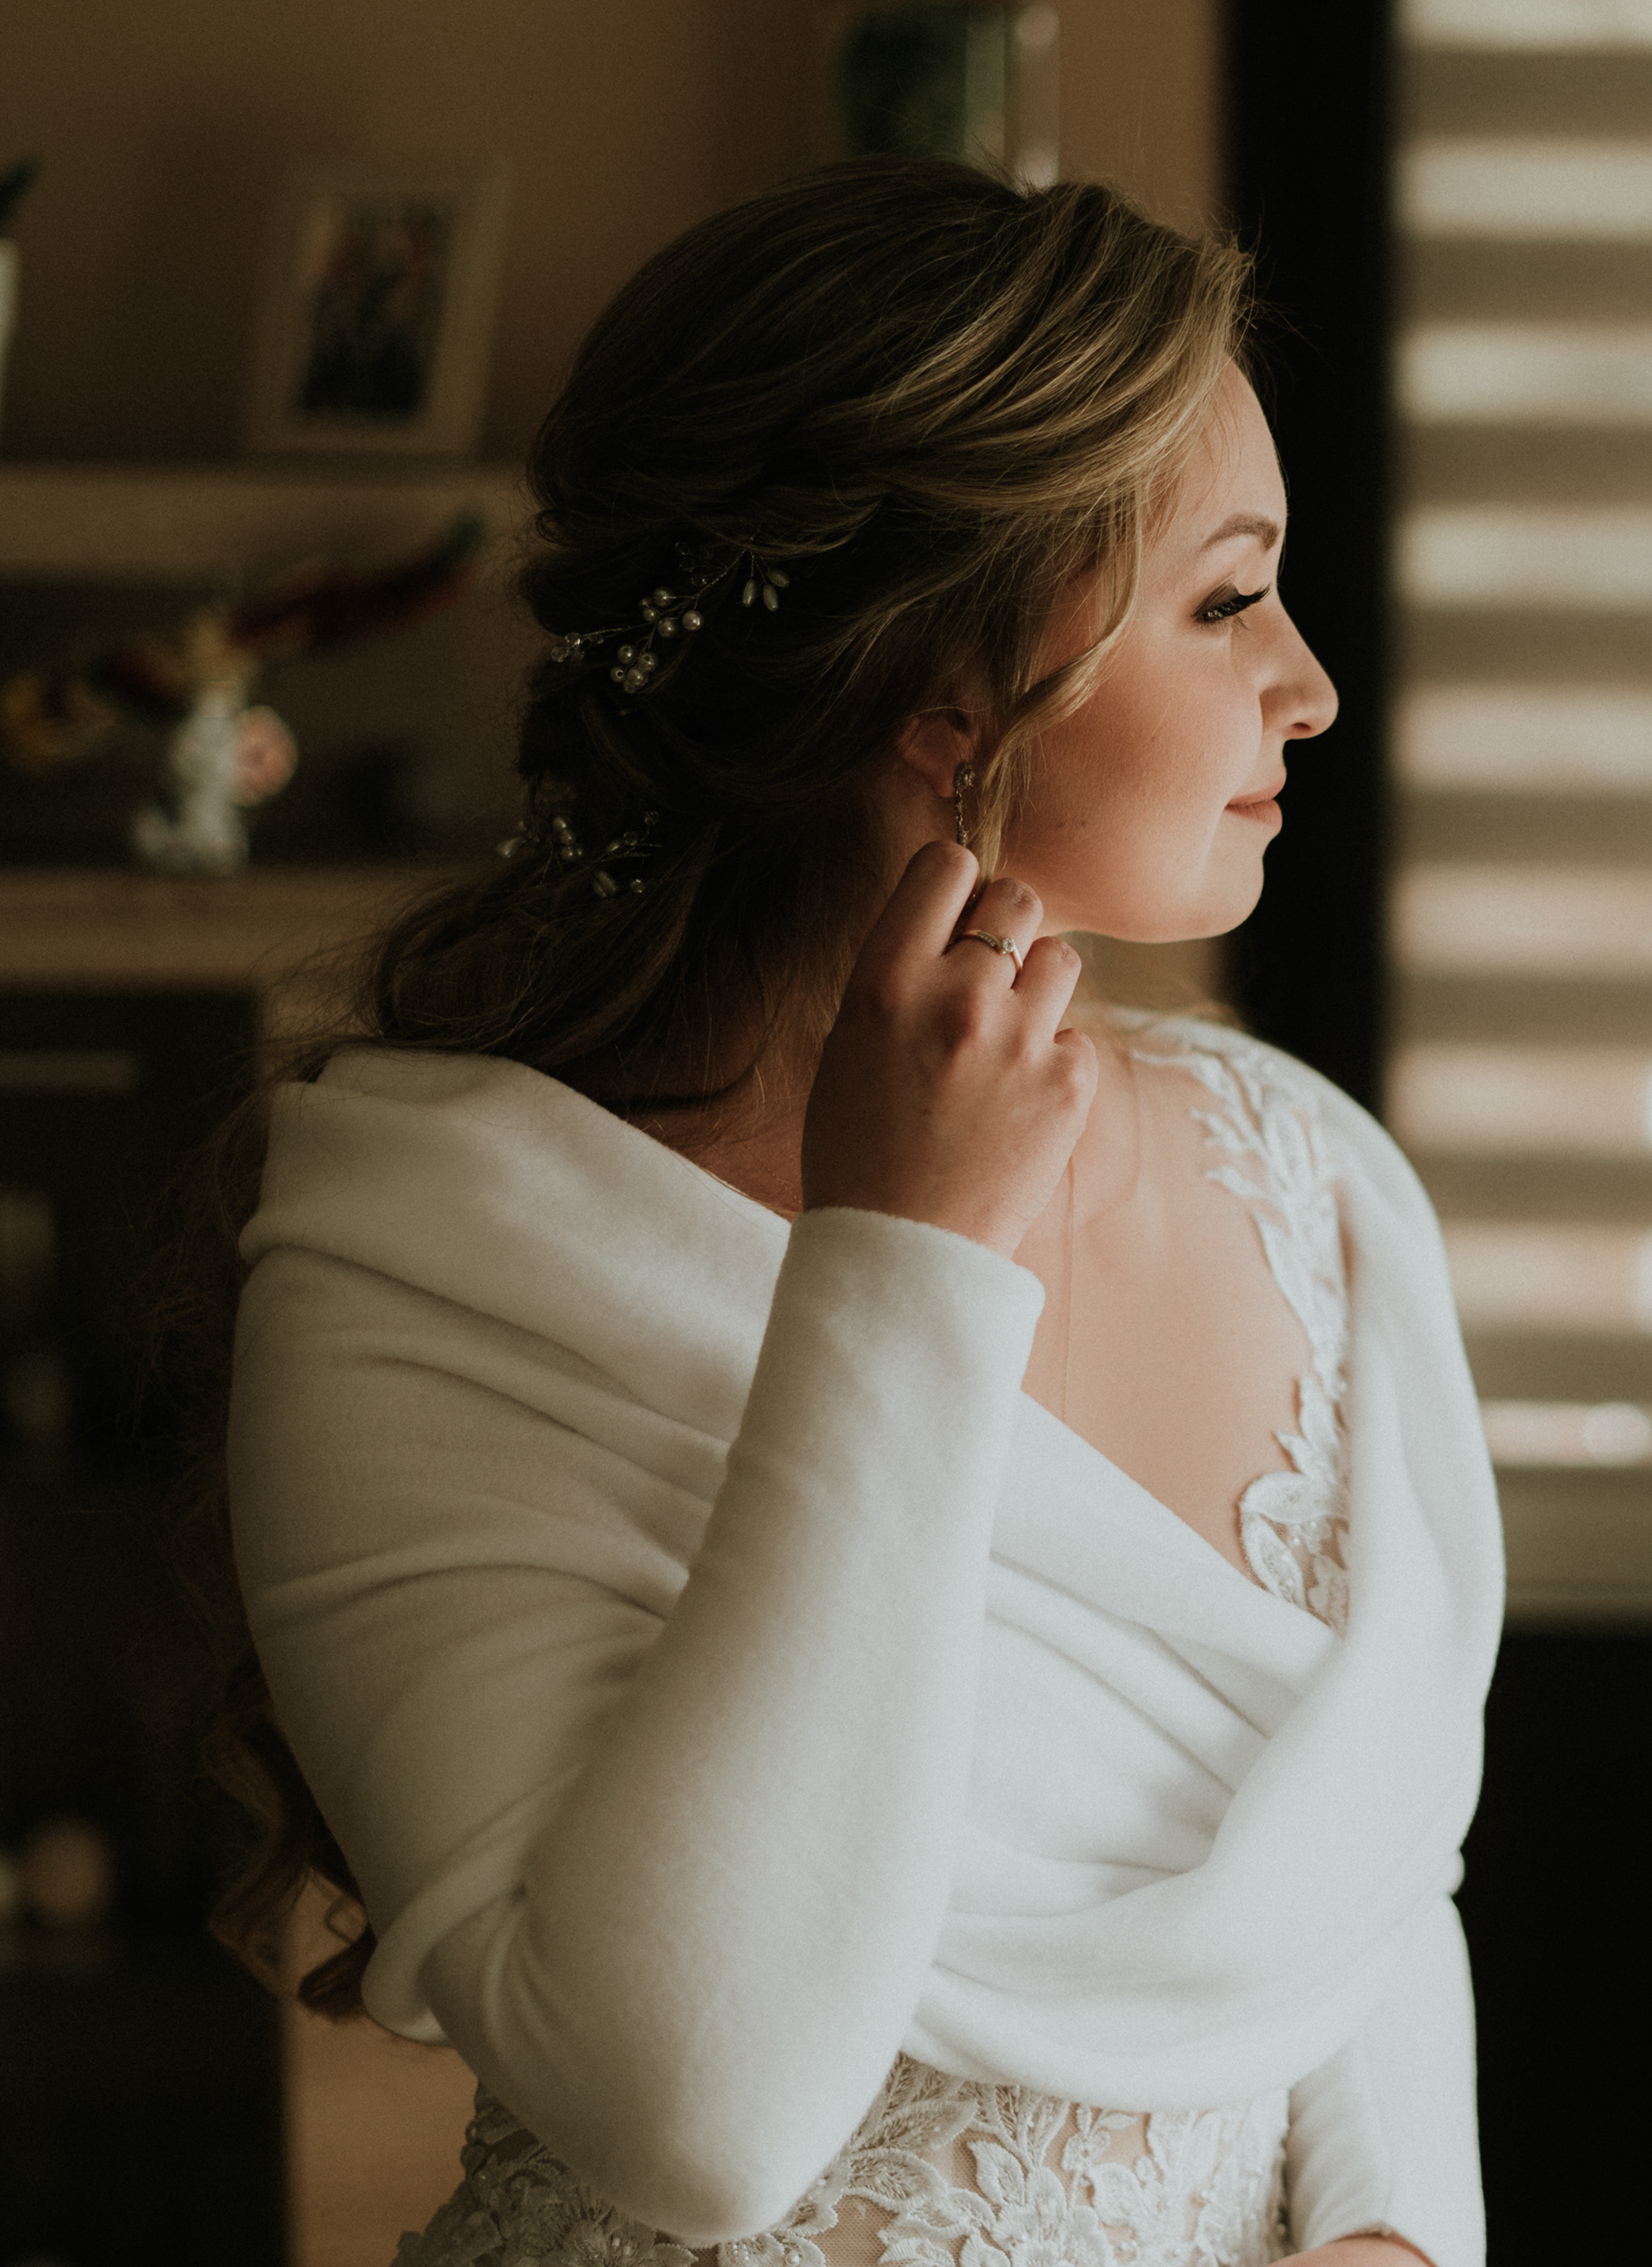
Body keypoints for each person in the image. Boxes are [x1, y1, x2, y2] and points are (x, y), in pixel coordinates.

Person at [208, 160, 1500, 2266]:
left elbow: (1370, 1855)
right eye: (1225, 600)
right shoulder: (428, 1278)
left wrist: (1397, 2229)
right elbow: (697, 2113)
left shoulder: (1314, 1186)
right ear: (945, 694)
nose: (1309, 683)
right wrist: (904, 1273)